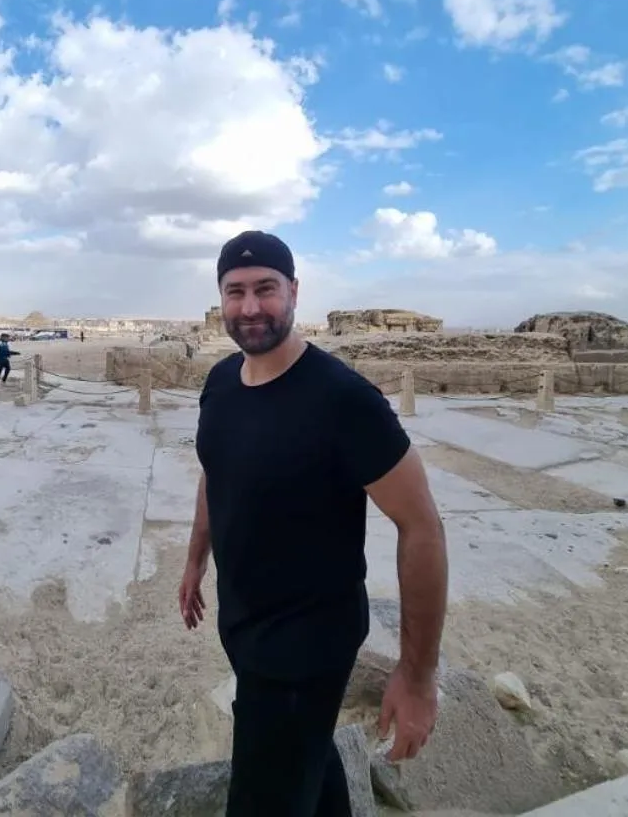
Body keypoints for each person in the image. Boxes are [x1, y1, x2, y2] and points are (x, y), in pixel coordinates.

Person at [181, 230, 448, 817]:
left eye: (266, 289)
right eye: (236, 291)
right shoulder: (221, 382)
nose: (251, 307)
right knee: (308, 762)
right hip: (246, 629)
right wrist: (196, 556)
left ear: (294, 291)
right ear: (220, 298)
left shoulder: (343, 400)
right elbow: (214, 469)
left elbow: (423, 526)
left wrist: (418, 676)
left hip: (305, 649)